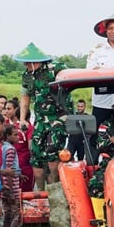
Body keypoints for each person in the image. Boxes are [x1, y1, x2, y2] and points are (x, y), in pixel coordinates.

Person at [16, 43, 67, 189]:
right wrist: (22, 119)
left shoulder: (56, 68)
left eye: (28, 62)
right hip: (40, 119)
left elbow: (72, 78)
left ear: (36, 61)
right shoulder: (27, 76)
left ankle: (55, 188)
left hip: (58, 118)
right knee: (36, 153)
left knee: (53, 151)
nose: (26, 65)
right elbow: (25, 97)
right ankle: (40, 191)